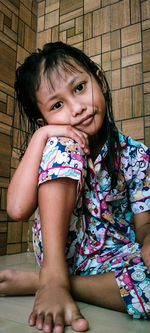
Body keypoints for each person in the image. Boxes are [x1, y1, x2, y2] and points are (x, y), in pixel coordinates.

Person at [1, 42, 150, 333]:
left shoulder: (137, 155)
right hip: (63, 253)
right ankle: (54, 274)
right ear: (42, 119)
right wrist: (42, 136)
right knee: (62, 143)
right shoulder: (51, 143)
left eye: (80, 87)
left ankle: (44, 281)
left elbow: (144, 223)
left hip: (115, 258)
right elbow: (17, 209)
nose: (77, 108)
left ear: (100, 80)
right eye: (57, 105)